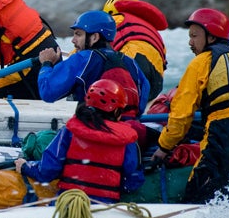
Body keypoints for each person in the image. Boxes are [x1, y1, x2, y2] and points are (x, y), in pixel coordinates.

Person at [151, 8, 229, 204]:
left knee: (200, 189)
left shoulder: (202, 62)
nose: (190, 42)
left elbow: (181, 115)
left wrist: (163, 148)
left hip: (223, 132)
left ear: (211, 37)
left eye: (194, 36)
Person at [15, 79, 144, 204]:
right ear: (116, 111)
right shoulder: (126, 140)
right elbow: (132, 182)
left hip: (68, 203)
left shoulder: (70, 131)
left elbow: (47, 171)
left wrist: (26, 167)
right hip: (106, 207)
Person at [37, 10, 150, 120]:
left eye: (78, 34)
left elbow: (47, 92)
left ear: (94, 37)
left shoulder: (82, 58)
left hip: (94, 127)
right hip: (129, 130)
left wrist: (47, 64)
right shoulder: (130, 62)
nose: (73, 40)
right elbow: (142, 100)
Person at [103, 0, 168, 100]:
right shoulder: (151, 29)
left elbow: (91, 43)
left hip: (134, 67)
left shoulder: (117, 19)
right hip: (156, 84)